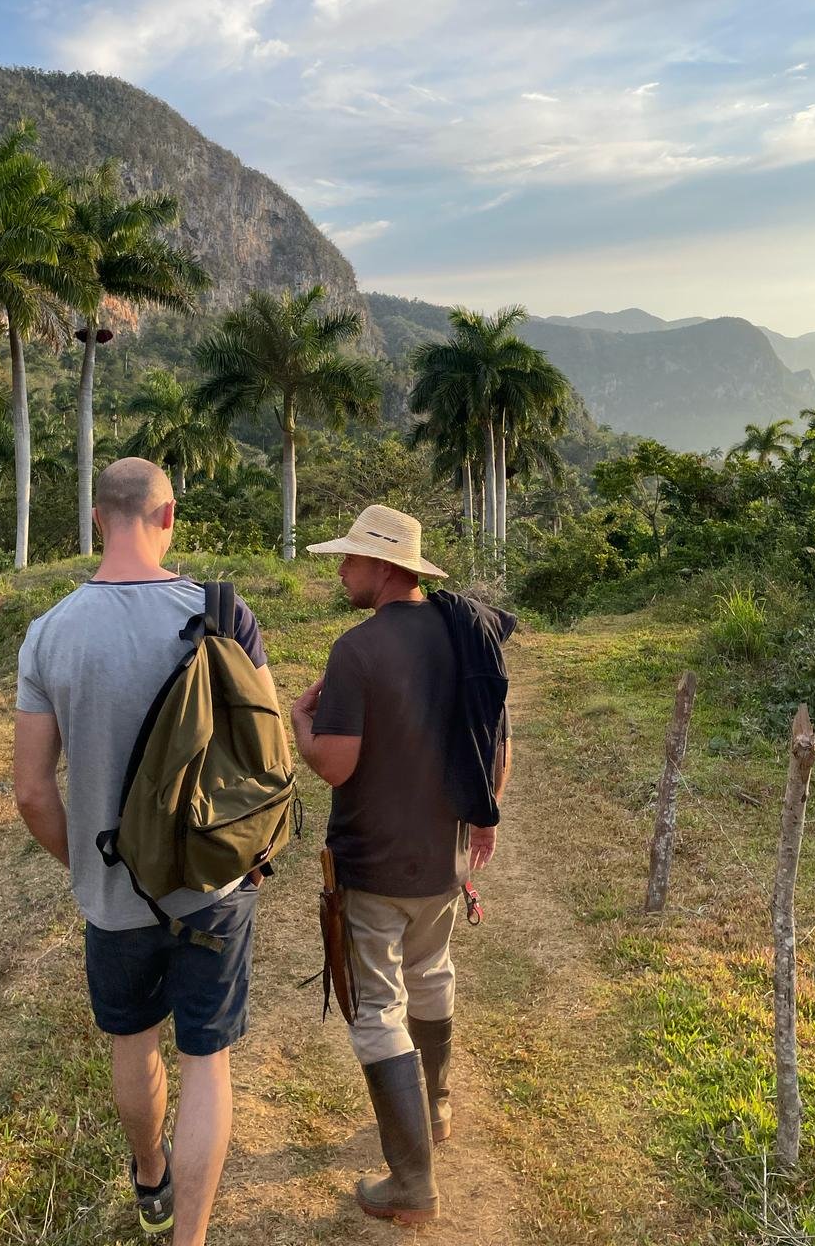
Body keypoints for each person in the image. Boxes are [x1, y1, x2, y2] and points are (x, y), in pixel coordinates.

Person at [13, 457, 274, 1245]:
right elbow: (269, 757)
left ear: (98, 519)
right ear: (168, 518)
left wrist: (91, 869)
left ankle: (150, 1177)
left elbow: (31, 792)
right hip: (214, 885)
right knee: (208, 1064)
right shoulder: (223, 613)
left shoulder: (49, 634)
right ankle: (187, 1240)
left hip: (113, 896)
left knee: (134, 1044)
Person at [292, 504, 513, 1226]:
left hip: (372, 862)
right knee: (432, 973)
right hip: (441, 857)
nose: (341, 570)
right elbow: (496, 742)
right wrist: (482, 818)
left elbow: (336, 763)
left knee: (377, 1006)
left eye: (351, 559)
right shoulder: (466, 638)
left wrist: (301, 726)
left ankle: (412, 1186)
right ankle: (439, 1109)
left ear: (384, 567)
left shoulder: (357, 651)